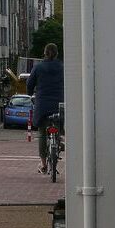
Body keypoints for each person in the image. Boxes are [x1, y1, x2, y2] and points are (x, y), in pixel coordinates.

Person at [27, 43, 65, 174]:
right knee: (59, 127)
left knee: (42, 134)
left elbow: (30, 83)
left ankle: (43, 164)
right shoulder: (62, 67)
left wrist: (30, 92)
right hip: (59, 103)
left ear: (44, 53)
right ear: (57, 53)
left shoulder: (38, 67)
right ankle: (58, 140)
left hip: (42, 105)